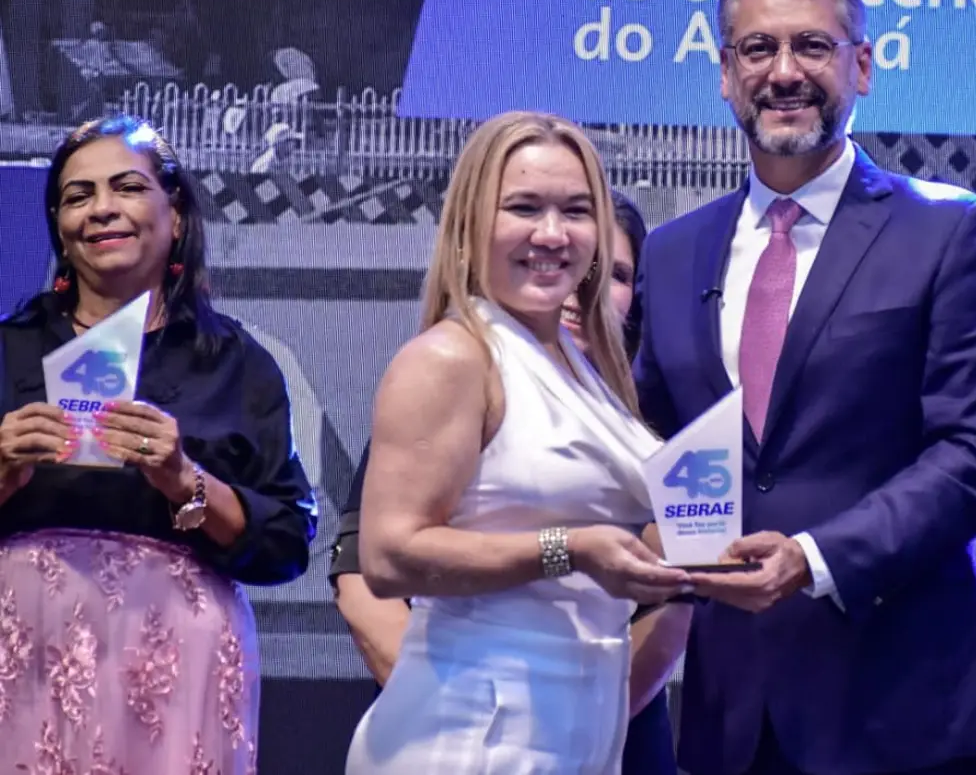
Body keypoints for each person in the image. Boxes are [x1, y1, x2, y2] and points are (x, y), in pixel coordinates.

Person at [633, 0, 976, 775]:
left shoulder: (951, 231)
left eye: (812, 46)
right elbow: (648, 445)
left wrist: (815, 558)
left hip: (903, 713)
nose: (784, 72)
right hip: (729, 717)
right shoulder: (671, 254)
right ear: (725, 74)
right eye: (758, 48)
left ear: (863, 64)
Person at [343, 111, 691, 774]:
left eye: (576, 210)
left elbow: (612, 529)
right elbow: (388, 556)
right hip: (472, 730)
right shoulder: (452, 357)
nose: (553, 234)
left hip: (575, 726)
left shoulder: (581, 365)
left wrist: (707, 557)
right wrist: (572, 550)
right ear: (472, 223)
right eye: (525, 207)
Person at [0, 115, 317, 773]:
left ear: (174, 212)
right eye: (78, 195)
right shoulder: (8, 349)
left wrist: (186, 481)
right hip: (19, 664)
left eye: (127, 187)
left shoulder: (238, 363)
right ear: (58, 223)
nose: (101, 208)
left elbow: (287, 542)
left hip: (173, 673)